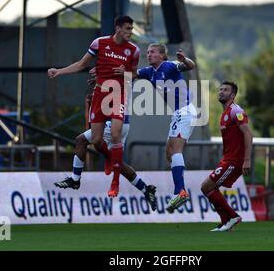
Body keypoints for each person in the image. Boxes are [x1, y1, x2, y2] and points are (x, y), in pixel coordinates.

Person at [48, 15, 139, 197]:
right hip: (99, 95)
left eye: (131, 28)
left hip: (118, 95)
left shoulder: (133, 51)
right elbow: (81, 64)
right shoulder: (99, 43)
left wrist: (126, 72)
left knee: (115, 135)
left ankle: (115, 183)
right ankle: (106, 159)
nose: (131, 32)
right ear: (118, 28)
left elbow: (135, 74)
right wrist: (59, 71)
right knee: (96, 141)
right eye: (128, 28)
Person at [53, 93, 158, 211]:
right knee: (118, 164)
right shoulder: (108, 85)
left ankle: (75, 179)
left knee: (82, 140)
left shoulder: (109, 83)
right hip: (121, 122)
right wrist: (89, 104)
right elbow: (92, 122)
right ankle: (146, 189)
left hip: (113, 122)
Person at [135, 43, 197, 213]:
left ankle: (180, 192)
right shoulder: (149, 71)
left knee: (176, 150)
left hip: (184, 111)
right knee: (169, 153)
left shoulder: (169, 66)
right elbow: (131, 74)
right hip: (177, 113)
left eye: (153, 52)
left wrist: (185, 60)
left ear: (162, 55)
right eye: (147, 52)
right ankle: (180, 189)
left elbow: (190, 65)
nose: (149, 55)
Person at [200, 81, 253, 232]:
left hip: (235, 161)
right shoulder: (225, 113)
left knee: (206, 186)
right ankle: (226, 222)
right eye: (220, 89)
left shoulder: (236, 111)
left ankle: (232, 217)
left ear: (233, 95)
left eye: (225, 90)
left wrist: (247, 160)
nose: (221, 92)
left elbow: (248, 134)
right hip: (228, 159)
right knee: (209, 188)